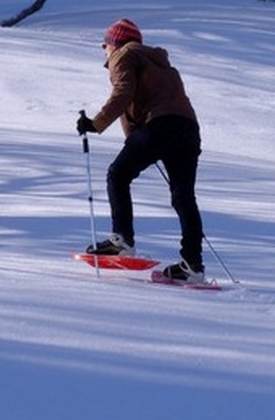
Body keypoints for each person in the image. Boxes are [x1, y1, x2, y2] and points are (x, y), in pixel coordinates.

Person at [76, 18, 206, 284]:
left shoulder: (124, 54)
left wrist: (95, 123)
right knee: (183, 197)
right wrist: (138, 137)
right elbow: (151, 98)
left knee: (118, 174)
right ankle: (193, 265)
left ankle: (121, 240)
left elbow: (124, 91)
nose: (104, 49)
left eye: (105, 44)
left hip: (159, 125)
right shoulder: (161, 63)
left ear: (115, 42)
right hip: (188, 129)